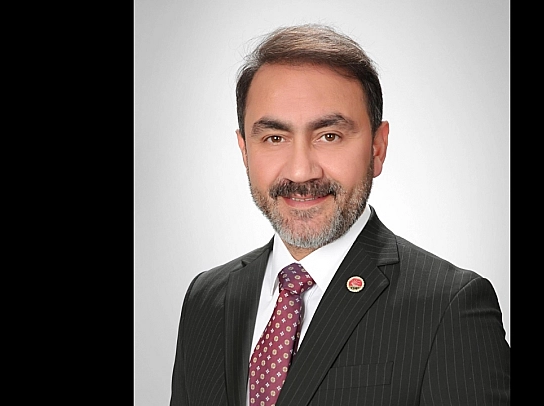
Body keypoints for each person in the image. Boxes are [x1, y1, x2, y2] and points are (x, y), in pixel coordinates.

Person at [170, 24, 510, 406]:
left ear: (377, 148)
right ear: (245, 151)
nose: (301, 172)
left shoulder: (448, 308)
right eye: (274, 138)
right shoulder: (205, 300)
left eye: (329, 136)